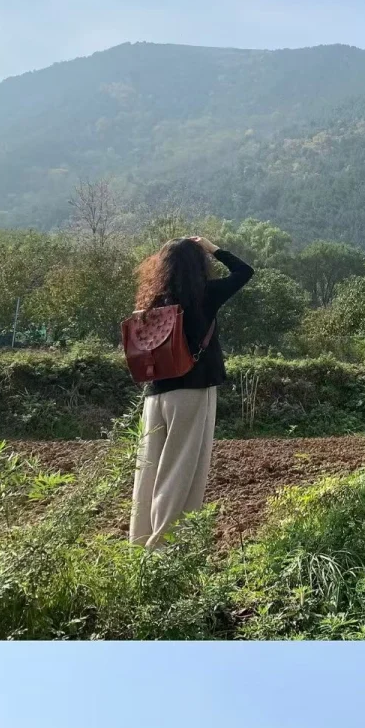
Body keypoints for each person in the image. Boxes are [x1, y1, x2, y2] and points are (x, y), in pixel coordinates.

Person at [129, 235, 253, 550]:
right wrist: (214, 248)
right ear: (199, 265)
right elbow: (244, 272)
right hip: (191, 391)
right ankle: (163, 552)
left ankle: (139, 543)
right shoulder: (205, 295)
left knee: (148, 470)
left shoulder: (153, 302)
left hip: (155, 395)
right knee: (179, 471)